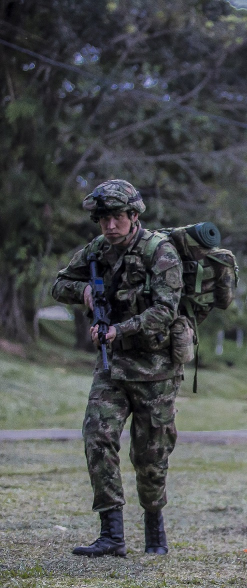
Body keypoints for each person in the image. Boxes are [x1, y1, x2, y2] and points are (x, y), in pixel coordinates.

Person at [51, 179, 185, 557]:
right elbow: (59, 284)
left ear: (134, 215)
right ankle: (111, 534)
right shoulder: (98, 251)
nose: (110, 226)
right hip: (112, 368)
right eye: (104, 219)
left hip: (156, 369)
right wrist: (85, 292)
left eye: (117, 217)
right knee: (97, 435)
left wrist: (117, 330)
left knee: (150, 455)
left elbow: (165, 311)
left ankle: (155, 533)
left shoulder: (160, 252)